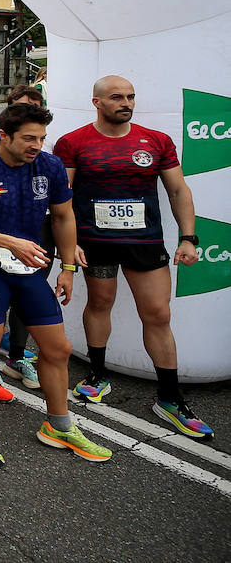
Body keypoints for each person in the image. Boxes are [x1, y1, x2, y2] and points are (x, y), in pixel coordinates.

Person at [0, 103, 113, 465]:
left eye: (41, 137)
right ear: (3, 136)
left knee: (58, 348)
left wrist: (68, 266)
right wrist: (9, 241)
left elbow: (63, 215)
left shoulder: (50, 166)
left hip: (29, 267)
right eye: (28, 138)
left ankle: (59, 424)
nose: (36, 145)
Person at [55, 76, 212, 437]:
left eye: (130, 96)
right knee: (100, 303)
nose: (126, 102)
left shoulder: (156, 141)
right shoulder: (73, 142)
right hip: (95, 242)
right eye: (116, 97)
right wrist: (69, 243)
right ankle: (98, 374)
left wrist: (188, 238)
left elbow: (177, 189)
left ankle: (170, 398)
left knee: (157, 314)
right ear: (96, 102)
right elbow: (61, 198)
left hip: (143, 243)